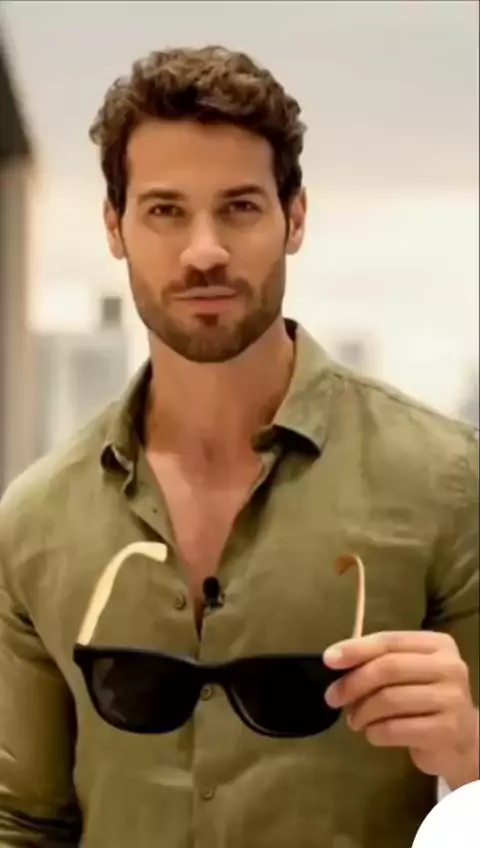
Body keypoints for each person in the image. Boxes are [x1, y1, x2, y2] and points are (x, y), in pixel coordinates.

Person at [0, 45, 478, 848]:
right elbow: (21, 819)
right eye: (165, 210)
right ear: (114, 226)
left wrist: (471, 756)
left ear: (296, 217)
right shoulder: (37, 520)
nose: (204, 251)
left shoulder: (448, 485)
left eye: (240, 207)